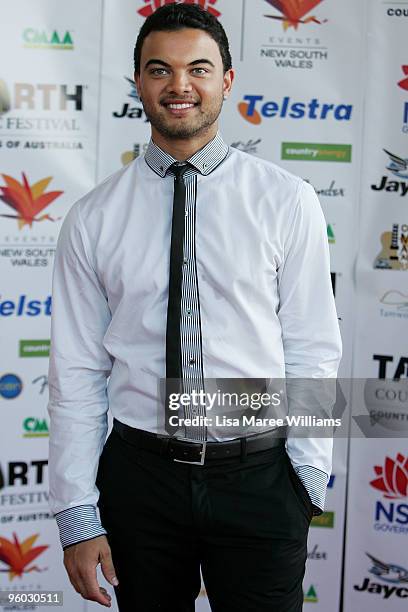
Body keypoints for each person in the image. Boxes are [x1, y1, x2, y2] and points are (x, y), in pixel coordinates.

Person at [47, 4, 342, 612]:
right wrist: (78, 509)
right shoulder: (93, 217)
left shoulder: (287, 201)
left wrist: (305, 475)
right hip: (139, 479)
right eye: (160, 70)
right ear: (138, 82)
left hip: (260, 477)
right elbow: (76, 369)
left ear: (226, 80)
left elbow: (312, 344)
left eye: (198, 69)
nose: (180, 86)